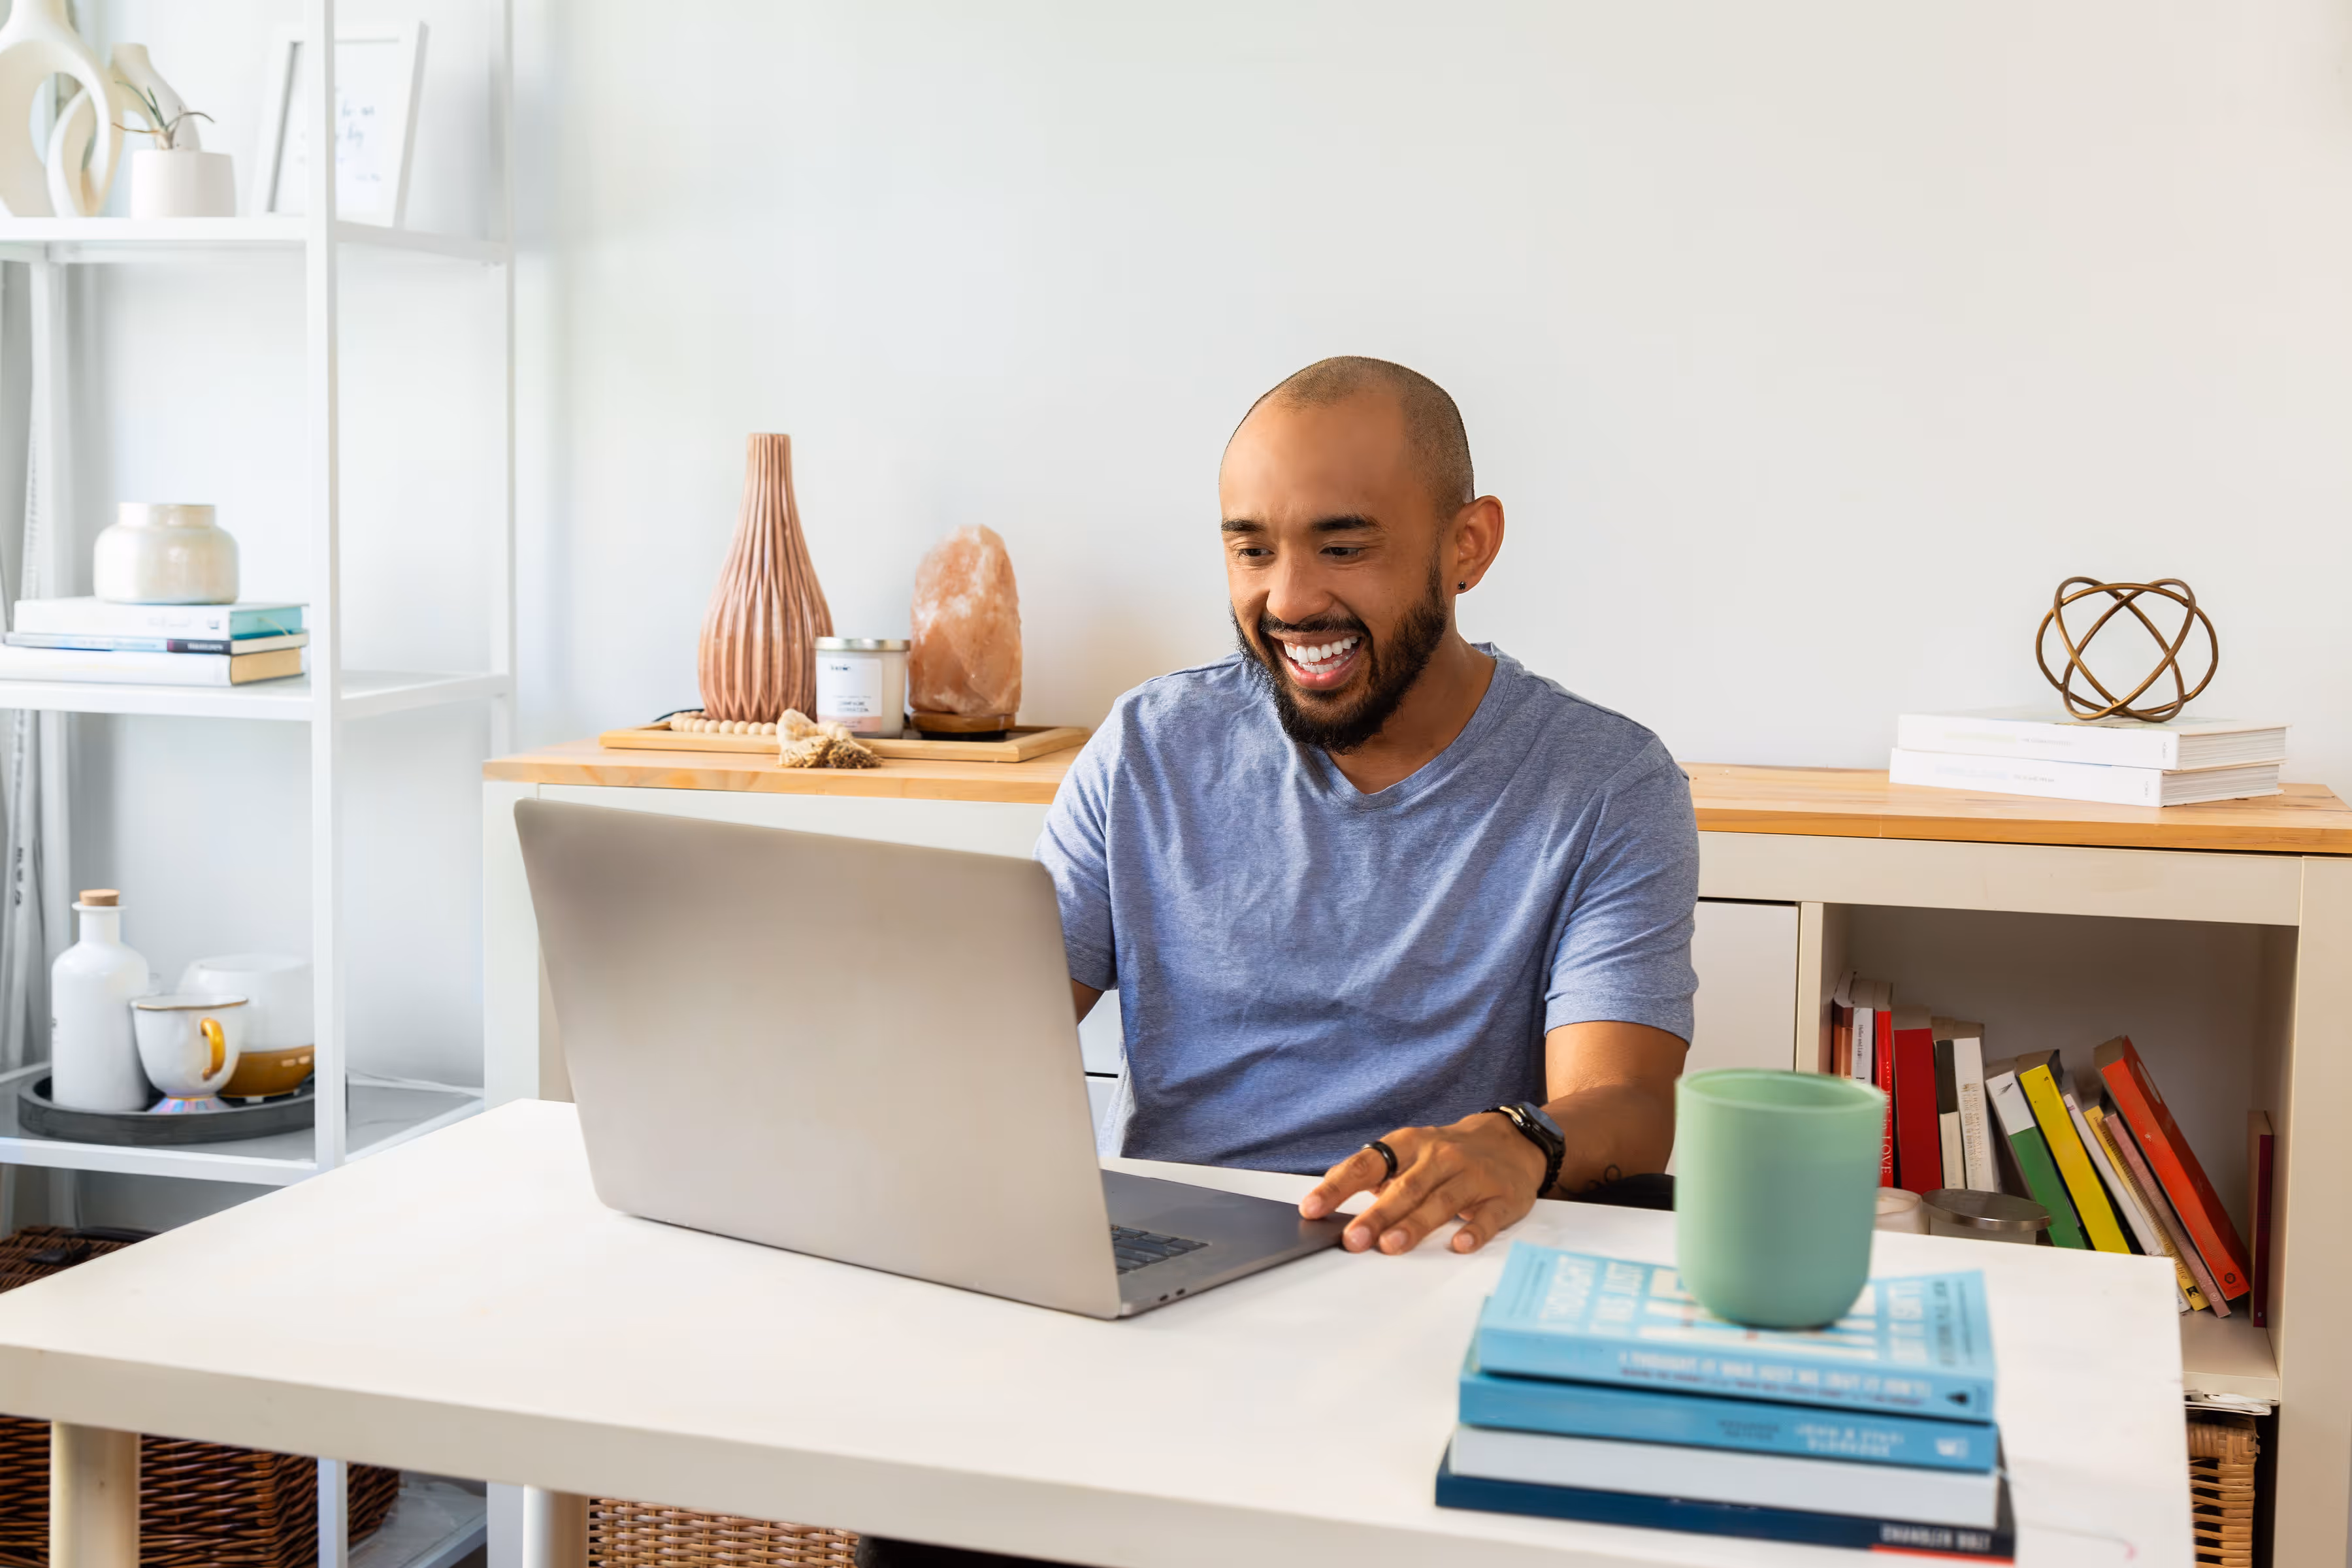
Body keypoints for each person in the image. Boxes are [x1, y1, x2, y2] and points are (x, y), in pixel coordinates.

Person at [853, 357, 1698, 1568]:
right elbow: (992, 1031)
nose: (1288, 597)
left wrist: (1517, 1138)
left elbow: (1624, 1109)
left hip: (1424, 1291)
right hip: (1158, 1288)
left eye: (1343, 548)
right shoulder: (1148, 746)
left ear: (1469, 546)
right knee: (928, 1497)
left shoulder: (1606, 784)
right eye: (1251, 551)